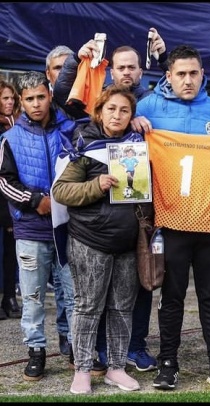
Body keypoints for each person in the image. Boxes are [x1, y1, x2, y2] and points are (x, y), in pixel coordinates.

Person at [136, 44, 210, 391]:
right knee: (171, 295)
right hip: (170, 218)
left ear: (202, 74)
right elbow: (124, 144)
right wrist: (133, 124)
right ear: (168, 76)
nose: (188, 80)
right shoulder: (148, 107)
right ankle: (167, 362)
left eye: (193, 73)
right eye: (181, 74)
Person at [54, 29, 168, 374]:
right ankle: (90, 358)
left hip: (134, 228)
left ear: (140, 70)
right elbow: (63, 94)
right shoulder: (86, 128)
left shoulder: (148, 106)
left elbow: (173, 86)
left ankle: (132, 349)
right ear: (111, 71)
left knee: (135, 295)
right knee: (91, 301)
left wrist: (163, 58)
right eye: (121, 67)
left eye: (134, 67)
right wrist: (76, 59)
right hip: (92, 232)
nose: (128, 72)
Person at [52, 85, 144, 394]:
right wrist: (96, 185)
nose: (117, 115)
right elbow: (61, 191)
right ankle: (83, 370)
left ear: (132, 116)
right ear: (99, 111)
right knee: (88, 307)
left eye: (124, 110)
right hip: (89, 240)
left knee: (121, 308)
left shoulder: (139, 146)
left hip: (128, 243)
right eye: (111, 109)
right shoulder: (83, 146)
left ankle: (116, 369)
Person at [0, 71, 75, 381]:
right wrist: (34, 201)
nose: (36, 104)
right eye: (29, 99)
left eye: (40, 97)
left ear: (49, 96)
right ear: (21, 101)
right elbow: (4, 181)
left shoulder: (68, 130)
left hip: (67, 228)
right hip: (30, 229)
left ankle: (71, 344)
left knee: (70, 294)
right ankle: (36, 351)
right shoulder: (9, 138)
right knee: (31, 297)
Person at [45, 45, 75, 357]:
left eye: (69, 66)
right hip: (39, 210)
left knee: (70, 279)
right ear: (48, 74)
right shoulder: (43, 107)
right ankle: (52, 340)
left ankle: (70, 337)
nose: (64, 72)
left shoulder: (85, 104)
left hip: (74, 207)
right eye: (58, 68)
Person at [0, 80, 21, 319]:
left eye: (12, 99)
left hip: (9, 198)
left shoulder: (16, 126)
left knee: (11, 251)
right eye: (4, 98)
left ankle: (9, 297)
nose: (9, 102)